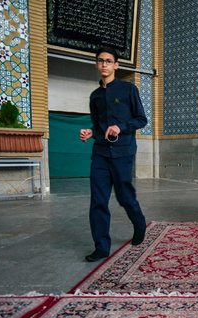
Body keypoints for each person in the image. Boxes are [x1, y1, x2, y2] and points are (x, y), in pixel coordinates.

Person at [80, 46, 148, 262]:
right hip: (100, 153)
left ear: (116, 65)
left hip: (123, 152)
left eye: (108, 61)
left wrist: (121, 127)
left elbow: (141, 119)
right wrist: (91, 132)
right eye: (100, 61)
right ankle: (101, 246)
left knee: (124, 196)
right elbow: (98, 126)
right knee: (98, 200)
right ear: (96, 64)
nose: (104, 64)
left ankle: (139, 223)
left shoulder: (128, 89)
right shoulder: (95, 96)